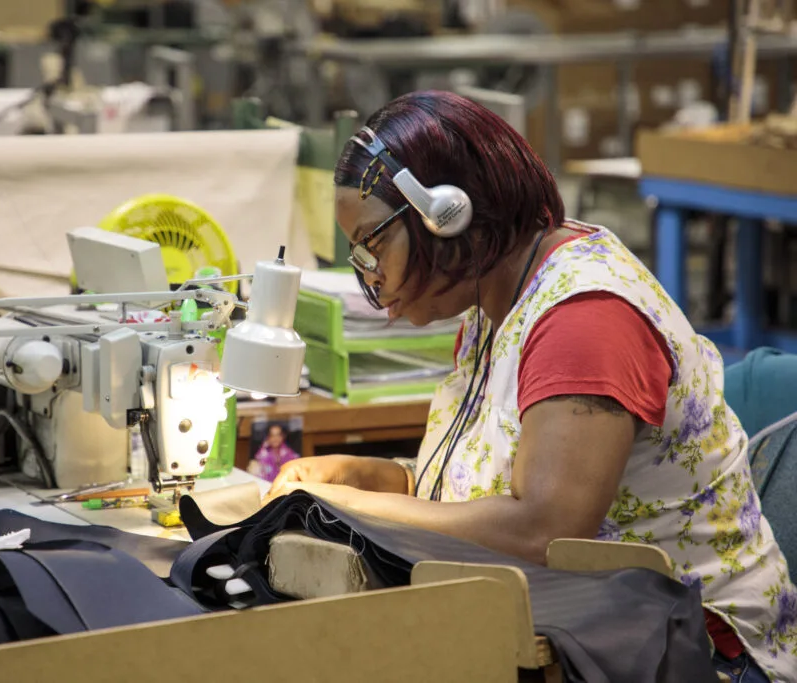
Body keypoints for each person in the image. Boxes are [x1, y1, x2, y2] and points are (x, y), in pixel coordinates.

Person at [265, 91, 797, 682]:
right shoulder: (494, 304)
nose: (370, 272)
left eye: (373, 243)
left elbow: (543, 528)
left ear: (447, 214)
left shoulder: (584, 318)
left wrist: (347, 507)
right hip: (600, 632)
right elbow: (491, 488)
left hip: (697, 657)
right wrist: (378, 479)